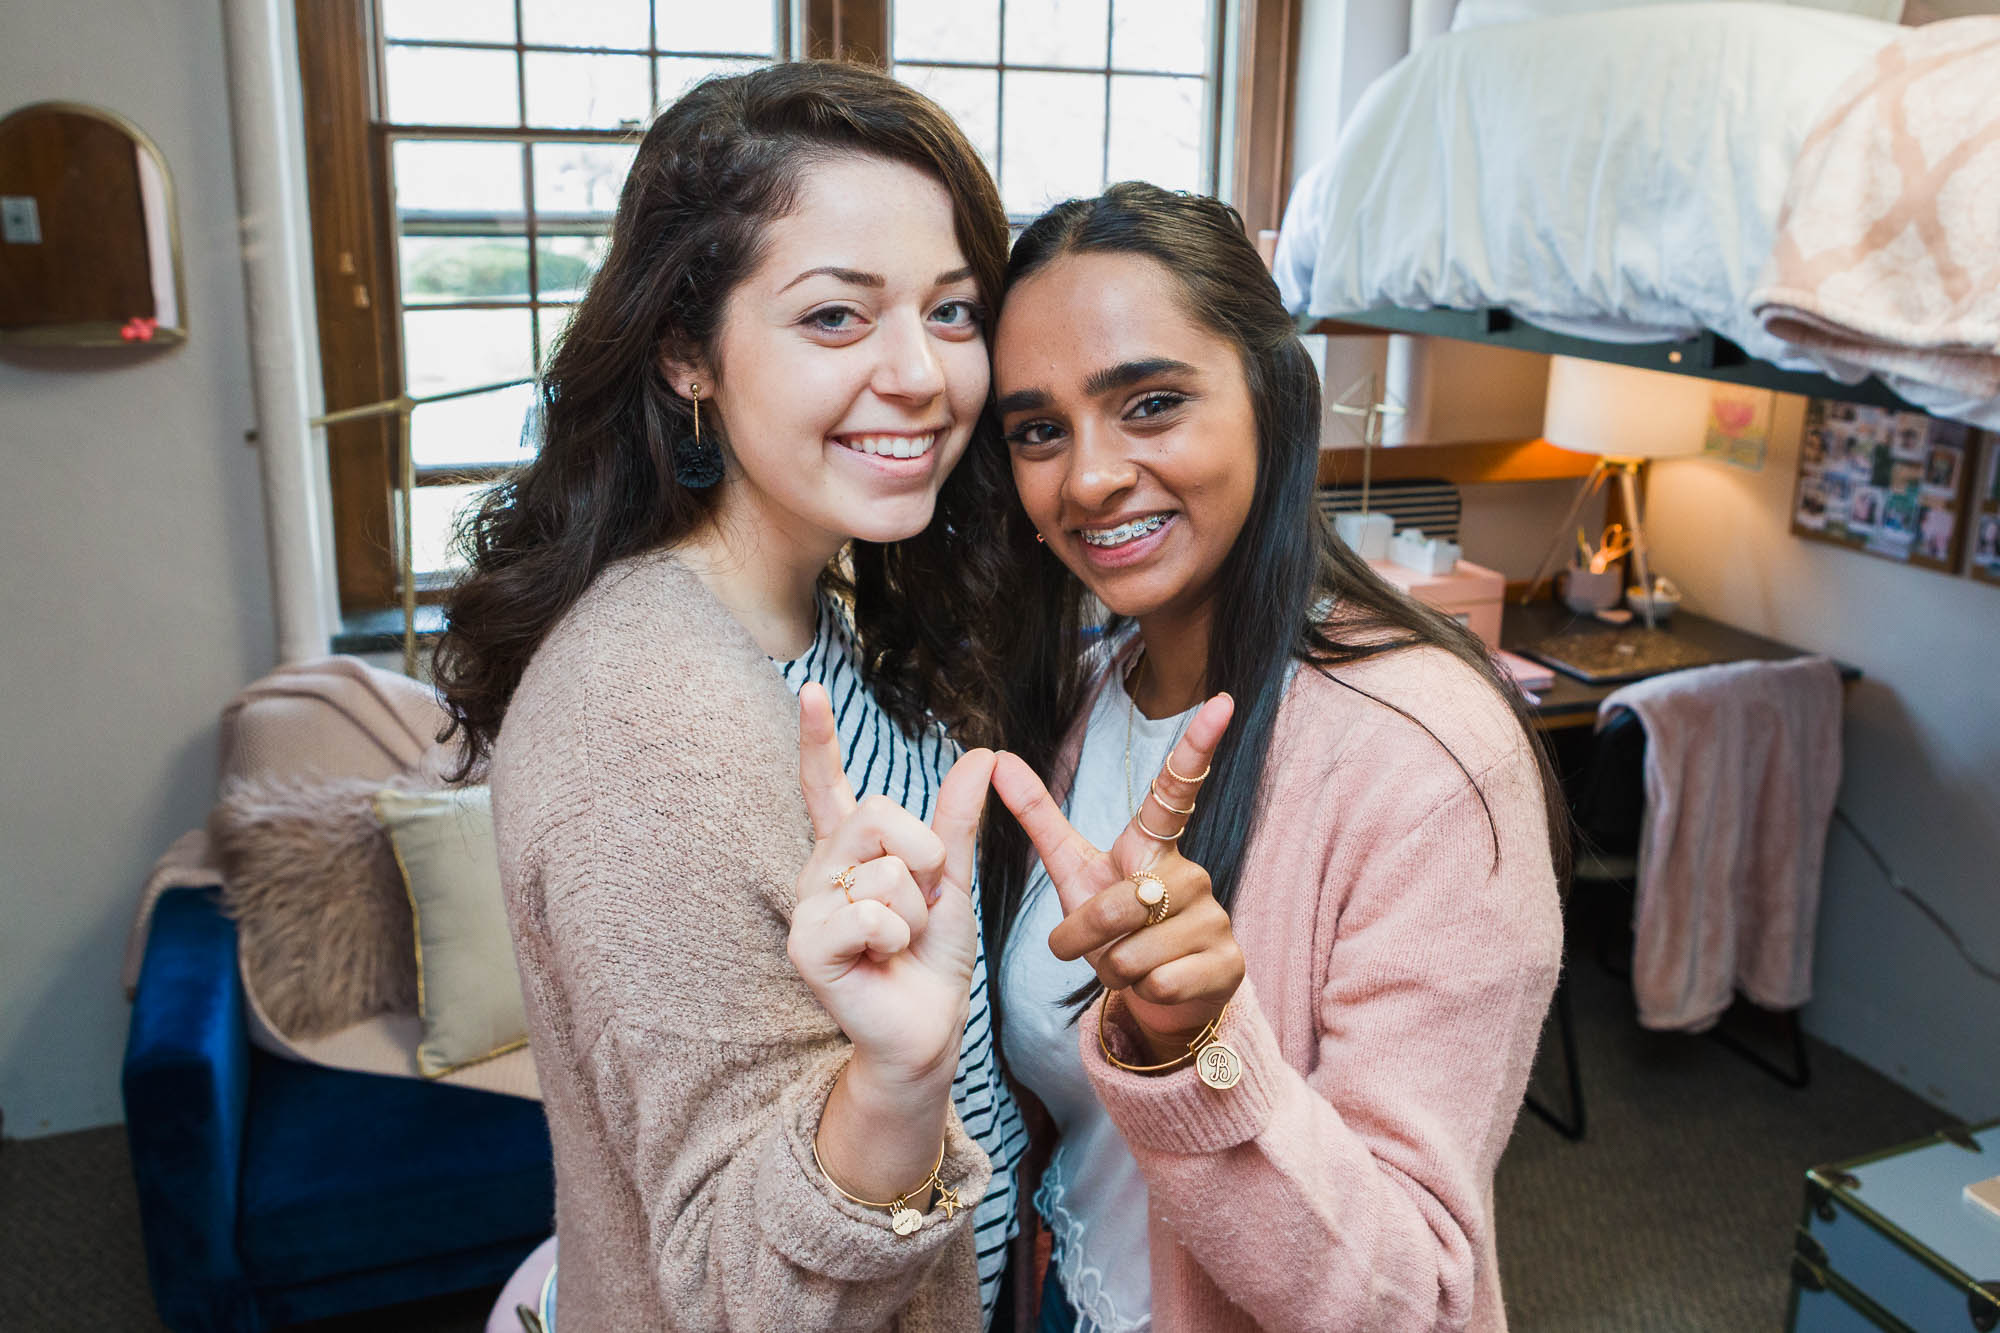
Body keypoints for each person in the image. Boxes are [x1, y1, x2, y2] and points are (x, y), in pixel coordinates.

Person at [433, 63, 1025, 1332]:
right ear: (686, 354)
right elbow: (736, 1293)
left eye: (955, 309)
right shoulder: (652, 716)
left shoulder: (812, 604)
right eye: (834, 317)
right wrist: (898, 1080)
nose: (921, 373)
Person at [969, 183, 1567, 1332]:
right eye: (1037, 429)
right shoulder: (1086, 697)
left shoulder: (1425, 757)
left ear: (1269, 399)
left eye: (1148, 403)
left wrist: (1193, 1049)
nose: (1085, 478)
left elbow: (1419, 1297)